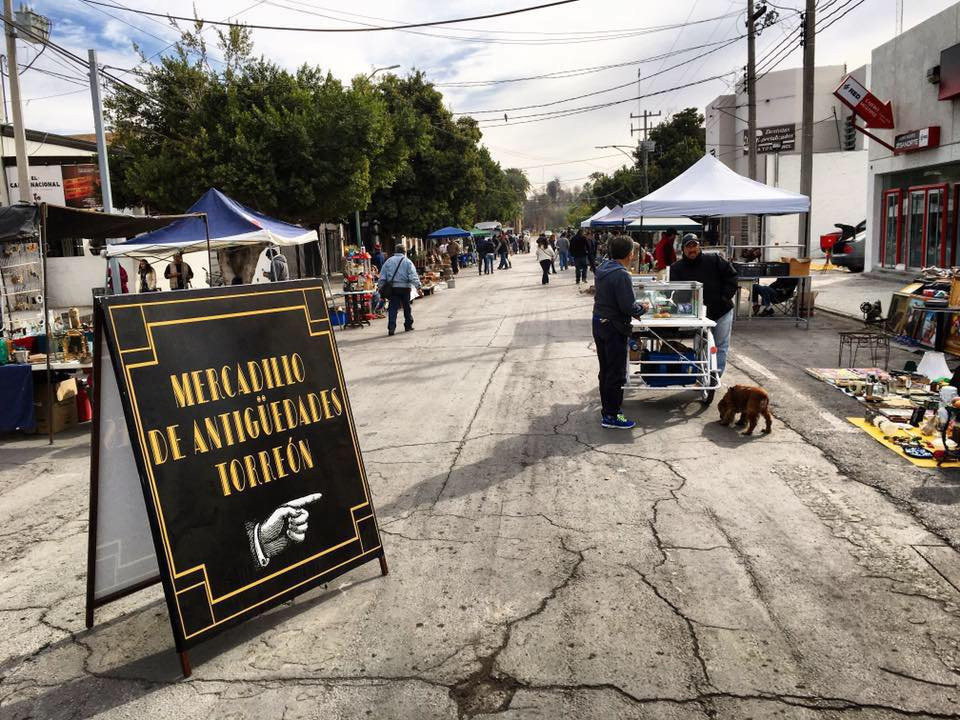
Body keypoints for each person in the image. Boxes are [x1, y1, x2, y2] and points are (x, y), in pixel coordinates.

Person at [593, 235, 648, 429]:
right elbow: (628, 307)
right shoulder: (622, 274)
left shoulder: (603, 268)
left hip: (599, 322)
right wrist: (643, 308)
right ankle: (612, 415)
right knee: (616, 373)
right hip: (614, 327)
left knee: (606, 370)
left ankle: (608, 409)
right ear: (630, 253)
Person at [669, 234, 738, 375]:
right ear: (683, 249)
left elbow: (732, 276)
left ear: (699, 246)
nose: (692, 249)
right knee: (700, 346)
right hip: (696, 315)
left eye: (694, 245)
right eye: (688, 246)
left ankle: (714, 377)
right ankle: (701, 376)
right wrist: (684, 309)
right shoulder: (677, 268)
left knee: (721, 346)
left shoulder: (714, 259)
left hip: (721, 311)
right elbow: (673, 292)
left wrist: (725, 296)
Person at [377, 247, 423, 336]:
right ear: (404, 252)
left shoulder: (388, 261)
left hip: (393, 289)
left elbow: (382, 276)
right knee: (406, 307)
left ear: (395, 251)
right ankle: (408, 325)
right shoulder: (407, 262)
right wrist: (418, 287)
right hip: (405, 289)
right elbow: (413, 276)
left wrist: (380, 287)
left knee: (393, 308)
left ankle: (391, 328)